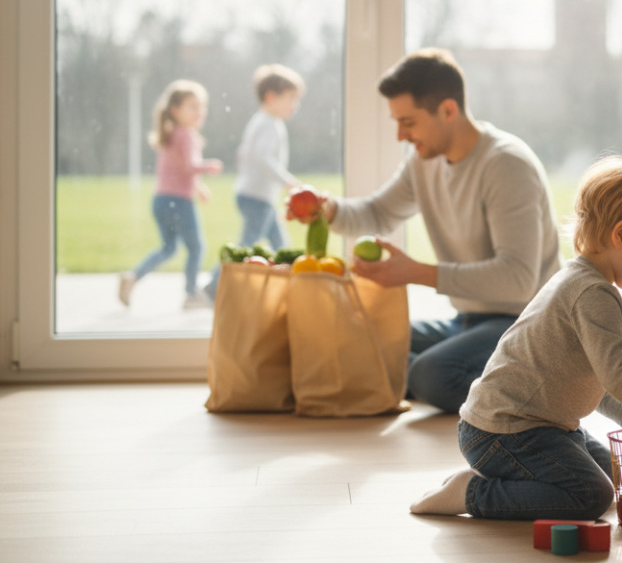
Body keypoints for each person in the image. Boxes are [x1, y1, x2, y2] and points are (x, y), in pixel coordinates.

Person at [409, 156, 622, 519]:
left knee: (619, 474)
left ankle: (500, 480)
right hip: (505, 432)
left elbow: (591, 372)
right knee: (591, 495)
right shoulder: (592, 293)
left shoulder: (580, 279)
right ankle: (473, 493)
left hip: (538, 427)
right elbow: (619, 373)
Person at [302, 48, 561, 414]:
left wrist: (414, 273)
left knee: (431, 375)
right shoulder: (425, 161)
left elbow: (517, 278)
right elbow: (378, 212)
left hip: (529, 325)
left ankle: (546, 391)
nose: (400, 135)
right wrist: (324, 208)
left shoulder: (505, 164)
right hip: (469, 323)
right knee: (364, 338)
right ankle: (493, 382)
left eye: (407, 122)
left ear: (448, 110)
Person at [202, 64, 305, 302]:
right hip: (256, 197)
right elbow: (262, 158)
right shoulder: (267, 123)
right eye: (291, 98)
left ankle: (291, 284)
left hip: (257, 196)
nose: (295, 105)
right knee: (247, 244)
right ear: (271, 97)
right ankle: (214, 284)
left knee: (280, 244)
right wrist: (288, 181)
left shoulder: (265, 122)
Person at [118, 79, 224, 310]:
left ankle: (133, 277)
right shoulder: (185, 134)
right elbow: (189, 166)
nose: (200, 112)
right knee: (196, 246)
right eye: (193, 106)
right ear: (175, 111)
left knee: (169, 248)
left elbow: (176, 170)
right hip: (179, 201)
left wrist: (198, 187)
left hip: (161, 200)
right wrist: (209, 166)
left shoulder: (172, 134)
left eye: (201, 106)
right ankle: (191, 295)